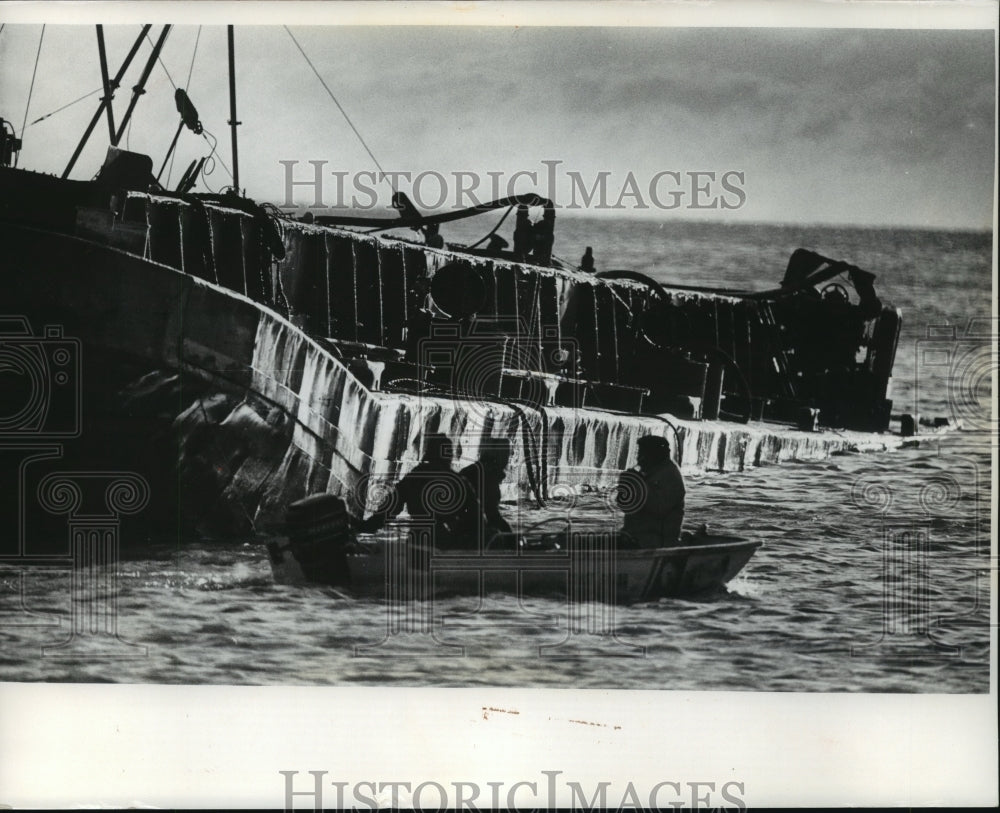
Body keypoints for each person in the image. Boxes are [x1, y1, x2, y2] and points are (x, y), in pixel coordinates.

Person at [357, 432, 476, 548]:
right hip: (445, 540)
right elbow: (474, 516)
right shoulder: (456, 480)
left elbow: (391, 507)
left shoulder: (415, 476)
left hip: (418, 539)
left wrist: (368, 526)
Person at [616, 435, 685, 548]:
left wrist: (637, 485)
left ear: (652, 455)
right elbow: (624, 506)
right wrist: (625, 487)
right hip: (634, 537)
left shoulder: (670, 475)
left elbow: (658, 508)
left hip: (657, 542)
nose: (638, 458)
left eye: (641, 454)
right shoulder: (650, 474)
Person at [459, 438, 514, 547]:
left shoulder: (471, 470)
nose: (509, 457)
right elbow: (491, 513)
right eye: (507, 453)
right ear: (500, 455)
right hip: (473, 533)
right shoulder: (488, 476)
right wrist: (511, 537)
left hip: (459, 528)